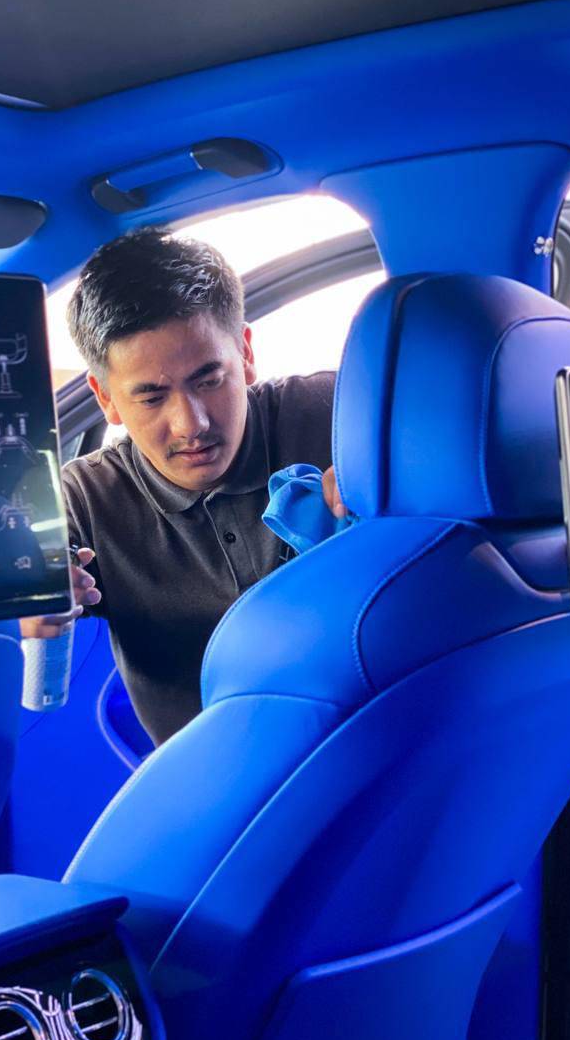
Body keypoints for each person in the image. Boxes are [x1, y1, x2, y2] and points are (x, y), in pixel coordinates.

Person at [21, 227, 345, 745]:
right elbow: (29, 674)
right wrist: (36, 616)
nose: (191, 424)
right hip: (221, 779)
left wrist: (389, 502)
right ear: (105, 398)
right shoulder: (82, 500)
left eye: (208, 380)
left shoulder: (343, 417)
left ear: (245, 352)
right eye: (151, 397)